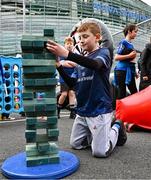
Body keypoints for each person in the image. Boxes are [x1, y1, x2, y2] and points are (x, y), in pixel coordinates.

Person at [47, 21, 127, 157]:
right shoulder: (81, 60)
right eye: (79, 38)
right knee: (76, 144)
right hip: (83, 111)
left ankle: (117, 126)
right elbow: (73, 84)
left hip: (99, 110)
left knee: (100, 152)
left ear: (97, 37)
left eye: (85, 36)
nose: (81, 41)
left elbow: (96, 65)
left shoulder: (104, 52)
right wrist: (59, 66)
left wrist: (67, 54)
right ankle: (97, 134)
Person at [114, 24, 138, 99]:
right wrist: (129, 56)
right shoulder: (123, 42)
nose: (136, 33)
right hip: (122, 71)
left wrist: (134, 72)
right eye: (135, 31)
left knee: (134, 92)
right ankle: (120, 110)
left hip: (128, 70)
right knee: (122, 93)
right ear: (129, 32)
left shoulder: (130, 44)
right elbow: (116, 57)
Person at [57, 37, 76, 119]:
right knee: (64, 94)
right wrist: (70, 63)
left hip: (72, 77)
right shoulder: (62, 55)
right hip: (64, 78)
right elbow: (61, 63)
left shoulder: (75, 55)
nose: (69, 45)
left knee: (72, 94)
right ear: (64, 45)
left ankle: (72, 112)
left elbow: (76, 64)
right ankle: (58, 110)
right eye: (67, 44)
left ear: (73, 45)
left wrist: (68, 63)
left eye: (71, 44)